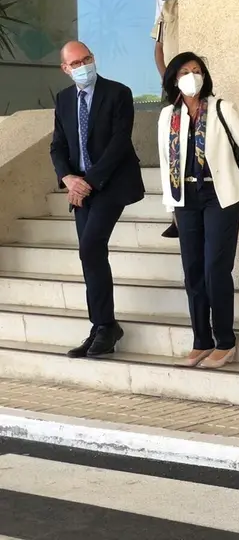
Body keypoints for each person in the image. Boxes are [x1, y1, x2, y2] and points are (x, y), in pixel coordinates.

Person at [158, 52, 239, 369]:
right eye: (184, 72)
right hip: (185, 198)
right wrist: (172, 206)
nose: (192, 76)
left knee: (215, 269)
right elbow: (165, 162)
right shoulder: (168, 116)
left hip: (219, 197)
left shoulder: (221, 108)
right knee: (193, 270)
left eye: (197, 70)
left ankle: (225, 341)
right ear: (173, 79)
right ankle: (201, 340)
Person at [50, 41, 145, 358]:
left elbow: (120, 143)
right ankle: (101, 326)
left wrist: (88, 182)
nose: (83, 66)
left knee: (90, 246)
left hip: (110, 183)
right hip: (80, 187)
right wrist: (67, 178)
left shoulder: (118, 93)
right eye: (76, 63)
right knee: (89, 254)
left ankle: (105, 326)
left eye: (86, 59)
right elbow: (58, 145)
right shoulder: (64, 99)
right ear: (65, 69)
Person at [153, 0, 180, 239]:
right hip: (173, 86)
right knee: (169, 147)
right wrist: (166, 80)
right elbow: (158, 47)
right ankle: (175, 214)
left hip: (199, 84)